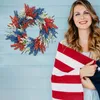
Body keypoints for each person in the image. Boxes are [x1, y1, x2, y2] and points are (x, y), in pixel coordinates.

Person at [51, 0, 100, 100]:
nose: (82, 17)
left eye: (86, 13)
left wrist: (93, 86)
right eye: (77, 14)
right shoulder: (65, 46)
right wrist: (80, 73)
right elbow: (56, 80)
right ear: (72, 19)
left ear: (91, 16)